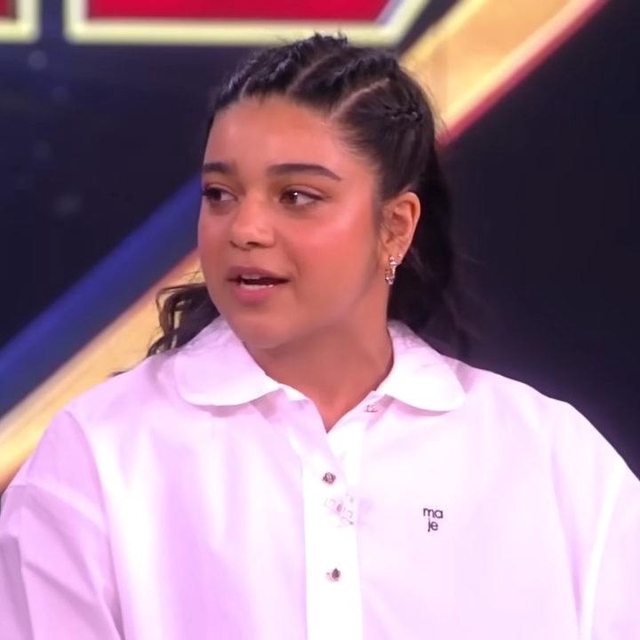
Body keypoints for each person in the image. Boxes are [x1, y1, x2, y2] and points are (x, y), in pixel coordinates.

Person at [0, 34, 638, 639]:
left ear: (395, 227)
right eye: (220, 194)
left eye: (297, 196)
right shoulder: (101, 454)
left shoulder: (547, 456)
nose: (245, 228)